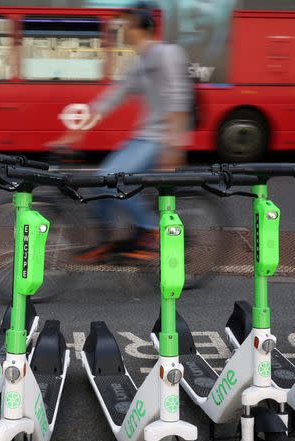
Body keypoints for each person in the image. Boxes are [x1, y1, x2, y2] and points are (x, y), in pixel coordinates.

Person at [49, 2, 192, 263]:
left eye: (126, 24)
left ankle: (153, 232)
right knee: (99, 184)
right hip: (143, 137)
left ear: (140, 25)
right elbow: (114, 97)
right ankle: (107, 241)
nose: (122, 29)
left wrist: (174, 145)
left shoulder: (166, 53)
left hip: (160, 139)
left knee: (110, 179)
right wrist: (75, 133)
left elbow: (179, 97)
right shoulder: (140, 62)